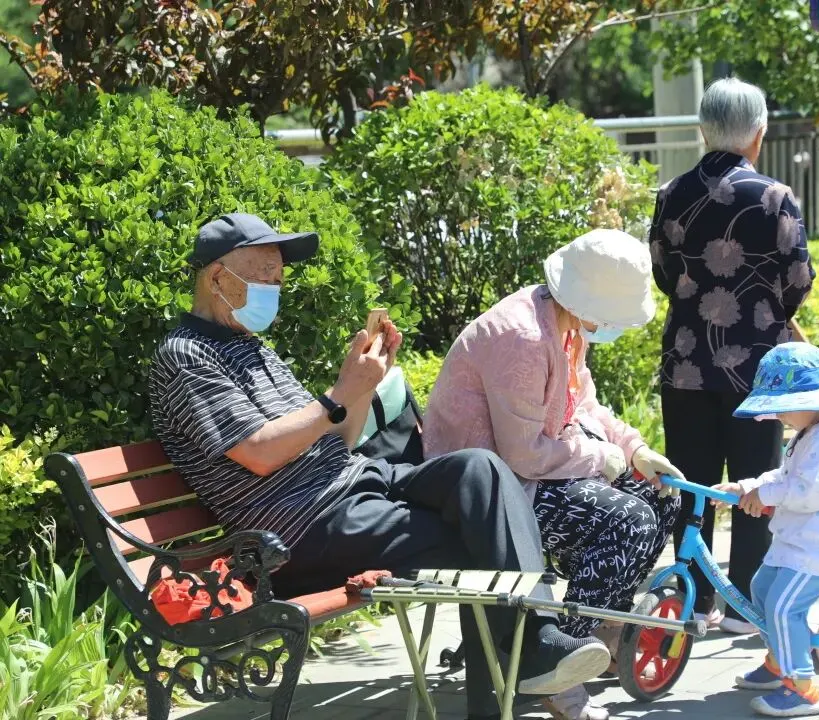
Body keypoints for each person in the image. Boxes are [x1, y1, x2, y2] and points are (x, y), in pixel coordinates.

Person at [147, 213, 610, 720]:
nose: (275, 288)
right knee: (478, 545)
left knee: (481, 469)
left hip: (353, 488)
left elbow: (338, 440)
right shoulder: (185, 356)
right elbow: (258, 453)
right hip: (300, 529)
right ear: (218, 277)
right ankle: (526, 661)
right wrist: (339, 392)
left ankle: (536, 644)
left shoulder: (251, 348)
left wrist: (362, 384)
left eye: (278, 278)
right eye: (265, 276)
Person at [424, 229, 682, 720]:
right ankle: (553, 665)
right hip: (488, 490)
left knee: (662, 496)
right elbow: (524, 456)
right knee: (628, 522)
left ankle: (597, 629)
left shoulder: (563, 323)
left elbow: (584, 405)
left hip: (531, 469)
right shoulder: (522, 338)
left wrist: (635, 448)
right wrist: (599, 456)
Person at [650, 77, 815, 634]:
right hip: (757, 366)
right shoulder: (774, 197)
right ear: (758, 133)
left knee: (691, 484)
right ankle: (745, 603)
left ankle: (694, 601)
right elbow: (798, 279)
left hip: (686, 360)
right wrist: (766, 310)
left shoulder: (671, 193)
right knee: (756, 483)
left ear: (703, 130)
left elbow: (664, 274)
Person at [713, 343, 819, 717]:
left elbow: (809, 493)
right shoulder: (810, 431)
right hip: (797, 544)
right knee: (762, 589)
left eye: (784, 406)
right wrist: (746, 487)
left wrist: (763, 496)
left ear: (811, 401)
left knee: (783, 607)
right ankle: (779, 661)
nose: (780, 414)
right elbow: (785, 476)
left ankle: (802, 688)